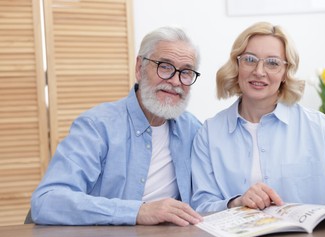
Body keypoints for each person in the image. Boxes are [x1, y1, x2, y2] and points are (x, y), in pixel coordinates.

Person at [191, 21, 325, 220]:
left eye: (273, 63)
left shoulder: (318, 128)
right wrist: (236, 202)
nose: (259, 71)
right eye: (250, 59)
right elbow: (201, 205)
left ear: (286, 73)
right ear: (237, 65)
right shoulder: (209, 133)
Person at [31, 26, 203, 226]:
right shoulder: (97, 126)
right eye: (164, 66)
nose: (175, 81)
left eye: (186, 72)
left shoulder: (193, 129)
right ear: (139, 68)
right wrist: (138, 211)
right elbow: (46, 201)